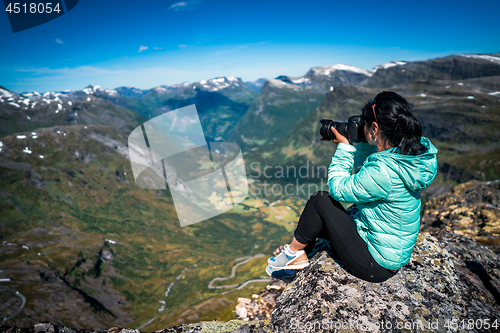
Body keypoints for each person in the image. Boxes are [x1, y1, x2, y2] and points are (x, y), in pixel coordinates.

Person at [266, 91, 438, 283]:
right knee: (320, 220)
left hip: (376, 264)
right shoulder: (404, 156)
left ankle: (292, 255)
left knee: (320, 201)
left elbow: (338, 189)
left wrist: (345, 148)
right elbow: (369, 177)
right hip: (386, 250)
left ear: (375, 128)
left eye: (365, 123)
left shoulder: (384, 171)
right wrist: (364, 143)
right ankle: (299, 259)